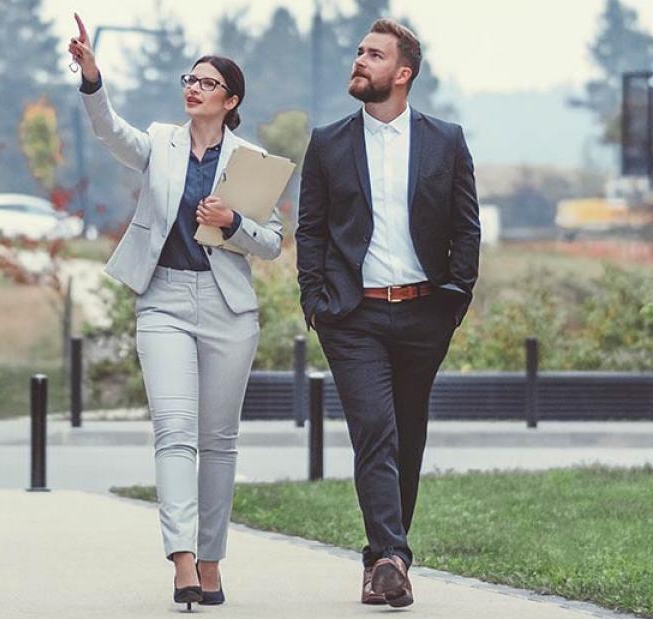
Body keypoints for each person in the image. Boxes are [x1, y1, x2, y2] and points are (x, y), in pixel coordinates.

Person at [67, 13, 284, 610]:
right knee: (174, 434)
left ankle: (212, 563)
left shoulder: (252, 161)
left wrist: (232, 223)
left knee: (217, 442)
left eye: (207, 83)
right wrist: (93, 78)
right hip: (162, 298)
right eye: (189, 78)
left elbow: (271, 242)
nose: (192, 87)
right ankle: (182, 562)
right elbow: (110, 131)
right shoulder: (160, 141)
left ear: (230, 100)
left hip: (227, 308)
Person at [296, 17, 479, 609]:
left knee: (407, 437)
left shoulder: (445, 140)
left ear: (402, 73)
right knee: (375, 431)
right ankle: (395, 558)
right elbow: (312, 229)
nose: (359, 60)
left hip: (425, 312)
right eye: (358, 52)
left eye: (373, 55)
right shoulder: (328, 142)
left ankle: (379, 564)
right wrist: (315, 301)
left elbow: (465, 225)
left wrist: (456, 297)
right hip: (353, 316)